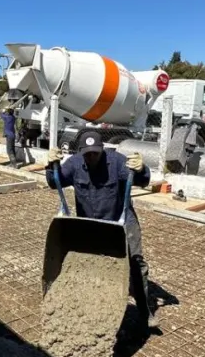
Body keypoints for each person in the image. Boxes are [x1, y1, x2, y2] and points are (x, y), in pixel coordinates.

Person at [45, 131, 158, 333]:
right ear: (80, 152)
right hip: (92, 223)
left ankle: (144, 312)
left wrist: (141, 169)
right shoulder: (74, 164)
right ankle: (92, 307)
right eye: (87, 154)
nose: (91, 157)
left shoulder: (116, 162)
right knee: (90, 262)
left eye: (95, 153)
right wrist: (50, 164)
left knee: (135, 262)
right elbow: (55, 182)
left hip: (121, 219)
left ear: (102, 150)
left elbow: (142, 180)